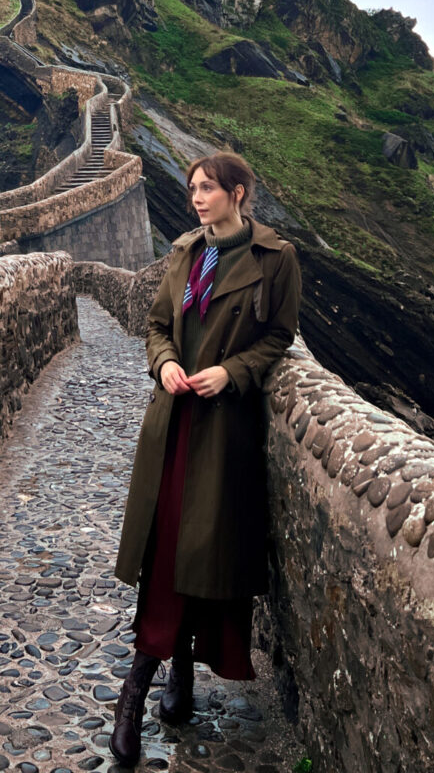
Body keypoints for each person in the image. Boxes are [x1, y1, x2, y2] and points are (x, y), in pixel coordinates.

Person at [109, 151, 301, 766]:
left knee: (202, 554)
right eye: (193, 188)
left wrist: (233, 372)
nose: (197, 197)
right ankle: (134, 694)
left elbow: (280, 337)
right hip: (173, 424)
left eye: (208, 189)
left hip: (223, 431)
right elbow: (158, 322)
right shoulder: (187, 251)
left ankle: (180, 676)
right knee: (166, 551)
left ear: (239, 192)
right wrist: (164, 363)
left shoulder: (276, 259)